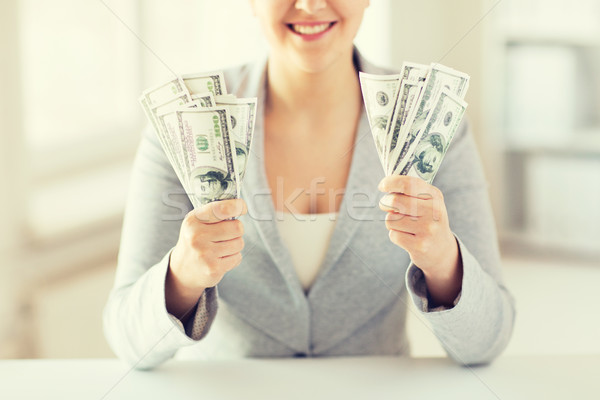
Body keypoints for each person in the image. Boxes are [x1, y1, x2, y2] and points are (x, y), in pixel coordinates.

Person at [104, 0, 515, 369]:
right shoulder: (184, 121)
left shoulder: (430, 120)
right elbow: (129, 340)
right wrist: (183, 277)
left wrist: (443, 260)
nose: (311, 4)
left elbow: (486, 341)